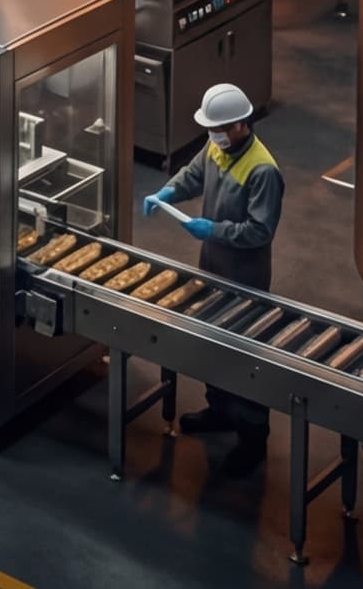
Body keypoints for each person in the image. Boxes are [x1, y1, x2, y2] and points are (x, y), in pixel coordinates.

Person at [145, 82, 286, 476]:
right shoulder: (218, 148)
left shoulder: (262, 170)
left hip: (245, 281)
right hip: (213, 270)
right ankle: (220, 410)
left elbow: (260, 231)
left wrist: (214, 230)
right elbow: (193, 175)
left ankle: (252, 438)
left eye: (219, 128)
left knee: (244, 359)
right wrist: (168, 193)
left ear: (241, 124)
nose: (213, 135)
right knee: (212, 345)